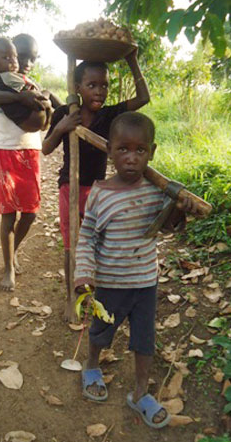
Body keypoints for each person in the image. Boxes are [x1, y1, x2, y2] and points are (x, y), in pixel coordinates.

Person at [74, 111, 199, 429]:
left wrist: (179, 208)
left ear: (152, 152)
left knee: (144, 340)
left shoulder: (158, 190)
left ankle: (140, 392)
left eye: (140, 150)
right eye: (123, 149)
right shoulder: (100, 193)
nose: (131, 158)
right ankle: (91, 366)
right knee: (101, 332)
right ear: (110, 151)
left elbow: (166, 227)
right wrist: (84, 276)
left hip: (144, 283)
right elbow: (87, 237)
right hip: (111, 284)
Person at [42, 47, 150, 320]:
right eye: (92, 85)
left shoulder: (110, 115)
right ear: (78, 87)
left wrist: (132, 60)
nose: (99, 91)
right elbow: (45, 148)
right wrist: (62, 126)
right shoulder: (65, 113)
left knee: (96, 243)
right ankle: (71, 297)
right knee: (71, 245)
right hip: (71, 187)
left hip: (100, 191)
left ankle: (94, 293)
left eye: (104, 85)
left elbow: (143, 98)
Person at [0, 34, 61, 292]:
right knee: (8, 213)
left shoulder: (27, 82)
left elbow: (44, 118)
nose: (23, 62)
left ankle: (13, 251)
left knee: (31, 212)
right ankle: (8, 268)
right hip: (6, 150)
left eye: (29, 58)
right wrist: (18, 98)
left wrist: (47, 104)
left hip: (30, 152)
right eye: (17, 56)